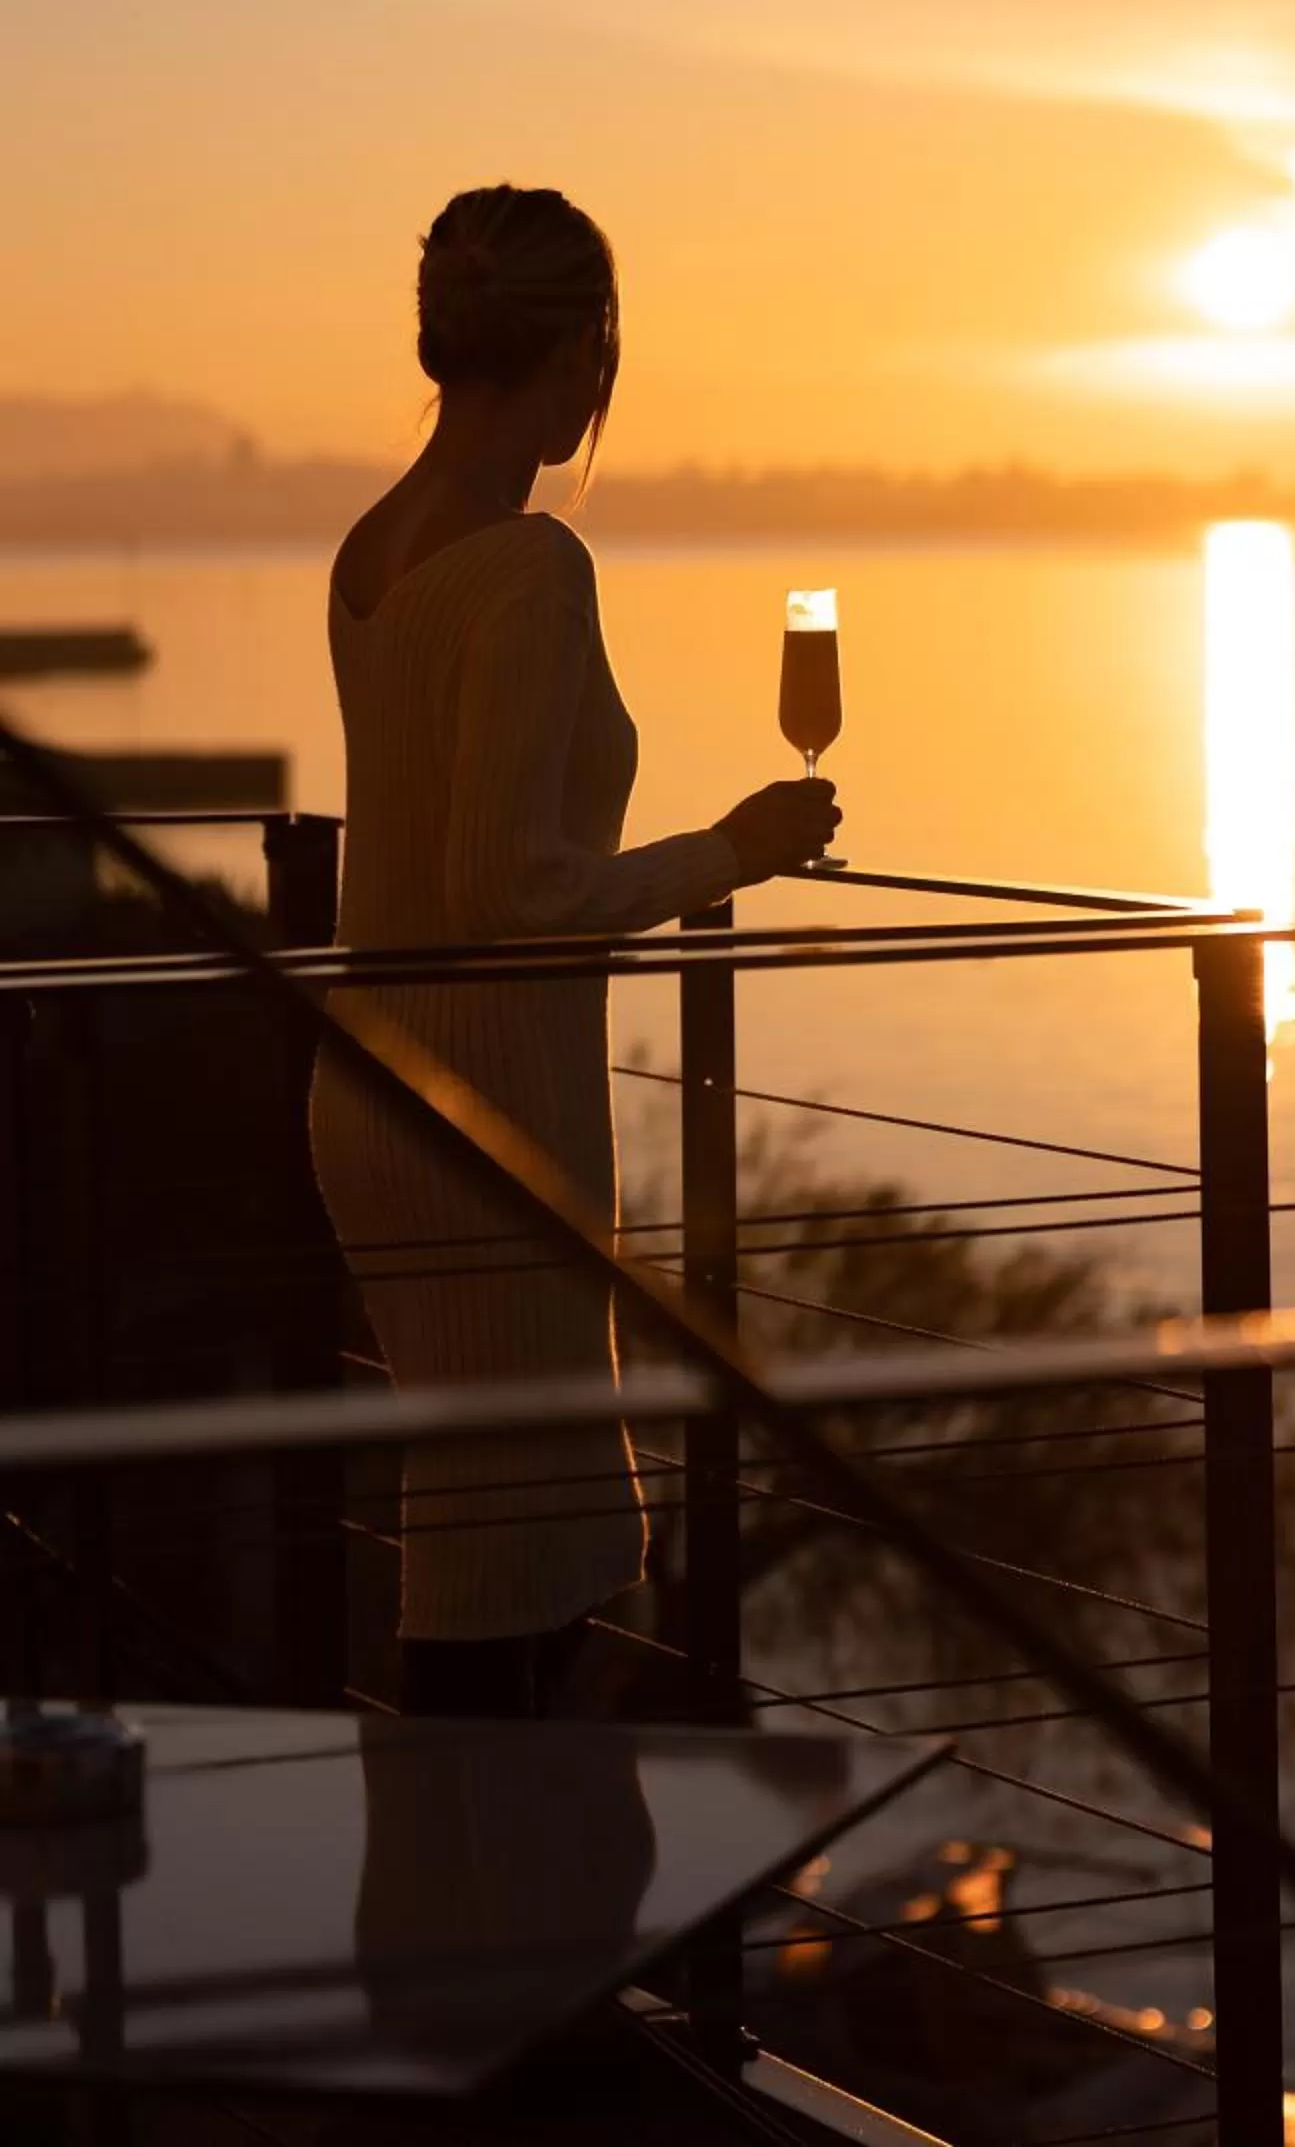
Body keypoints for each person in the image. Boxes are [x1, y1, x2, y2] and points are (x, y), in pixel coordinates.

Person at [310, 184, 838, 1718]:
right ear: (585, 356)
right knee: (524, 1562)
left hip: (374, 1088)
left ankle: (444, 1915)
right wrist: (729, 854)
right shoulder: (530, 568)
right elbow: (511, 891)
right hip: (489, 1107)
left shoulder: (369, 545)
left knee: (478, 1528)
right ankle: (499, 1920)